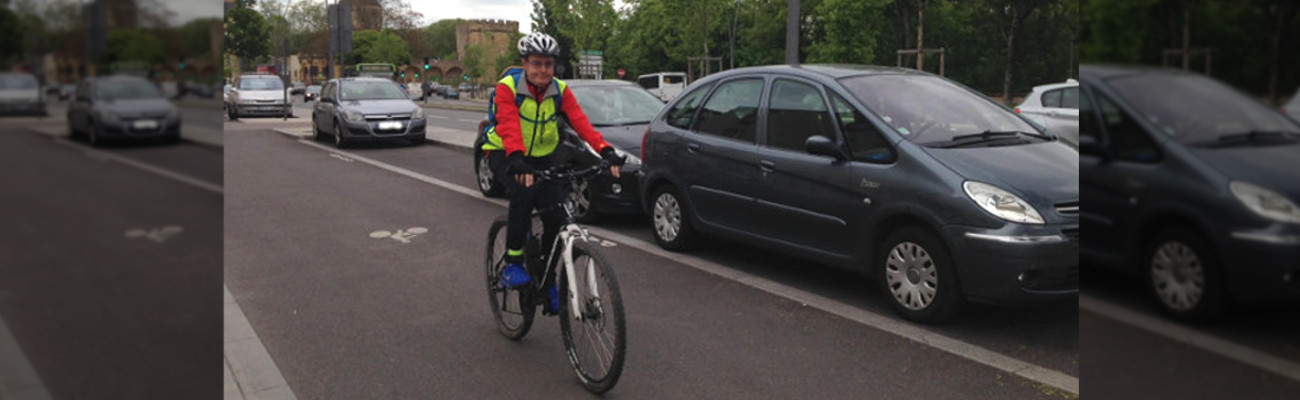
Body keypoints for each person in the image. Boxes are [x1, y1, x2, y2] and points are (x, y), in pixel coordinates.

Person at [480, 32, 624, 314]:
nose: (543, 70)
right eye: (536, 64)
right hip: (505, 153)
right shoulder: (507, 88)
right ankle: (512, 263)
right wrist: (517, 159)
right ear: (525, 63)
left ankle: (545, 278)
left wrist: (604, 150)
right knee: (523, 189)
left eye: (548, 64)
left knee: (557, 216)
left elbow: (581, 123)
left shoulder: (559, 89)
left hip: (543, 156)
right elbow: (508, 125)